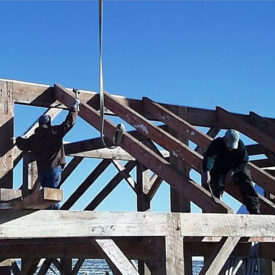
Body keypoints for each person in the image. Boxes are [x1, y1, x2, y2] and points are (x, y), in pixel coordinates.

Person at [16, 98, 80, 209]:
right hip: (53, 169)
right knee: (52, 197)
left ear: (39, 124)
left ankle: (50, 215)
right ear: (49, 123)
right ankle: (54, 219)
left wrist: (17, 139)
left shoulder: (34, 139)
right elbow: (69, 123)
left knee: (47, 198)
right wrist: (74, 108)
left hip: (42, 172)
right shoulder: (54, 132)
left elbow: (22, 144)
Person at [202, 129, 260, 214]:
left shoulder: (240, 146)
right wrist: (206, 171)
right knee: (212, 184)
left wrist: (232, 171)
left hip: (234, 167)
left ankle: (254, 210)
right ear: (224, 139)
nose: (231, 148)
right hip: (218, 168)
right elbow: (209, 157)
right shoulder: (216, 143)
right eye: (229, 146)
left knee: (246, 177)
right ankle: (213, 209)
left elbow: (244, 161)